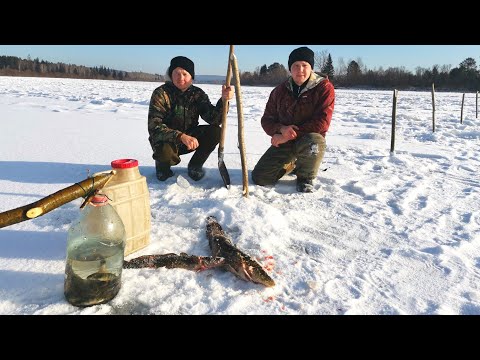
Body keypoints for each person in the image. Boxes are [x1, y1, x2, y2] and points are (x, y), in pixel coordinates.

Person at [251, 46, 335, 193]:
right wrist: (281, 130)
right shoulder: (279, 91)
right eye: (296, 66)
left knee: (315, 140)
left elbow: (322, 122)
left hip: (308, 140)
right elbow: (267, 120)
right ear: (290, 68)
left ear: (311, 68)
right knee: (260, 177)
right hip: (286, 141)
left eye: (304, 65)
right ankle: (293, 164)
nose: (300, 70)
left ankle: (305, 177)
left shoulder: (324, 88)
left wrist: (288, 135)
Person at [148, 55, 234, 181]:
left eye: (185, 74)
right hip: (167, 141)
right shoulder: (161, 93)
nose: (180, 78)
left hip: (190, 138)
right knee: (165, 152)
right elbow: (154, 127)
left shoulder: (197, 94)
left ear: (191, 77)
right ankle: (163, 168)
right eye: (176, 73)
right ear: (171, 75)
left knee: (215, 132)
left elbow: (215, 119)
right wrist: (180, 136)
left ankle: (195, 166)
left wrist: (224, 100)